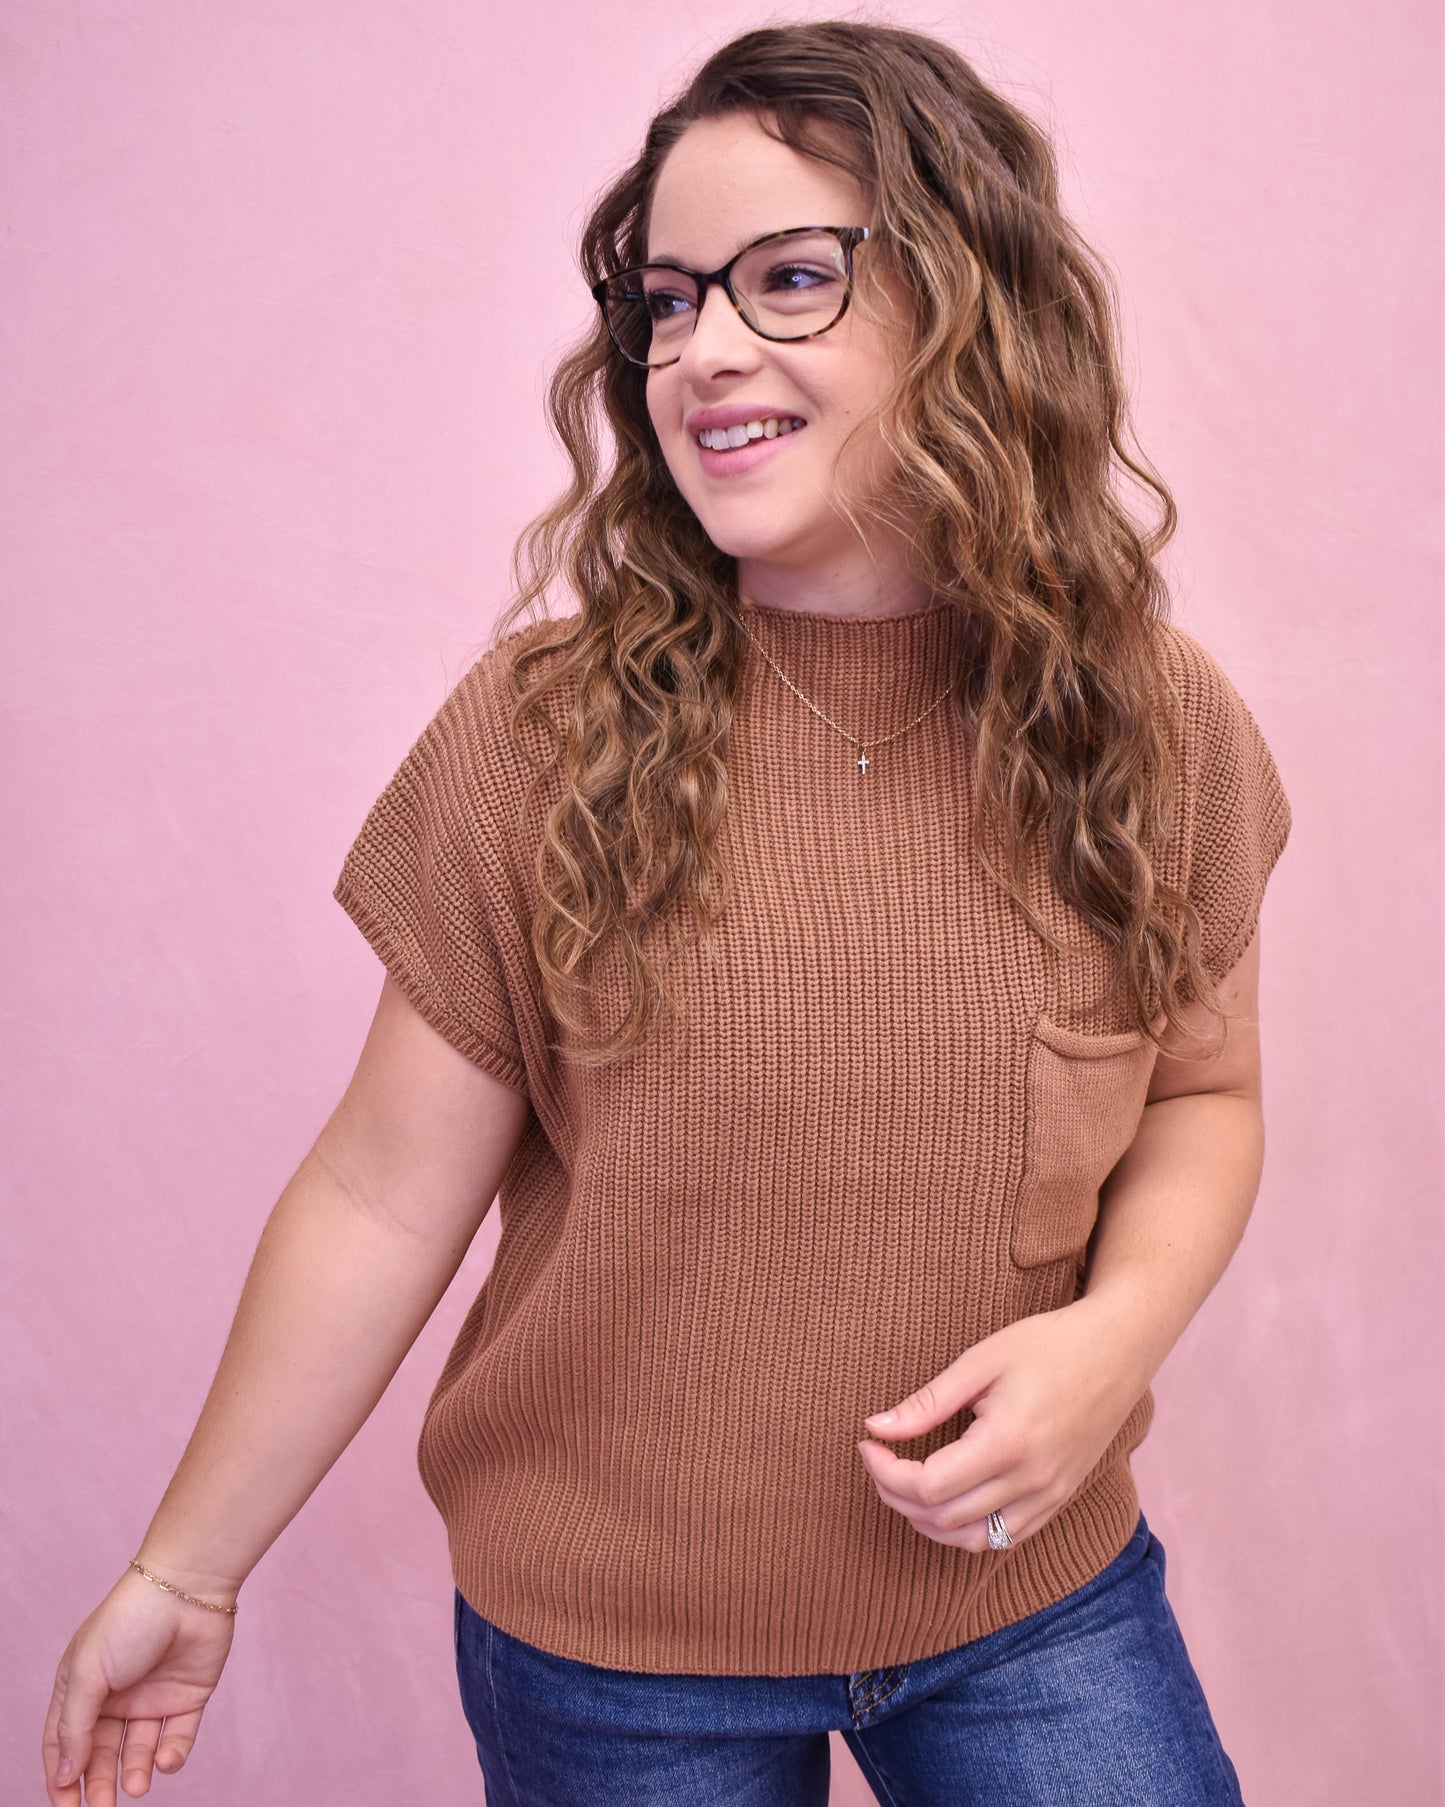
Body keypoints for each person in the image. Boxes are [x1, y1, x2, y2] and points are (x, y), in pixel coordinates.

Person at [42, 19, 1293, 1807]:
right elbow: (382, 1195)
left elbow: (1201, 1096)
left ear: (976, 304)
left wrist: (1115, 1339)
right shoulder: (542, 738)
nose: (701, 348)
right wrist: (187, 1572)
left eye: (787, 278)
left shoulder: (1145, 723)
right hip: (614, 1661)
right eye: (665, 300)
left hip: (1029, 1605)